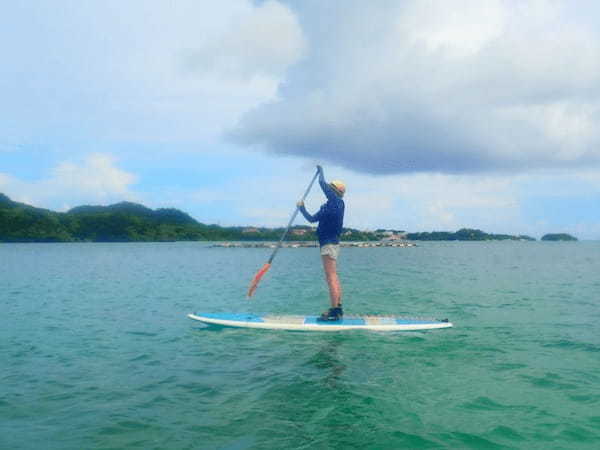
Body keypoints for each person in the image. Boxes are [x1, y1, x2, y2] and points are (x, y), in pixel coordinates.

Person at [297, 166, 346, 321]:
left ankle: (334, 311)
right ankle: (338, 308)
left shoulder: (336, 202)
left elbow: (322, 183)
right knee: (333, 276)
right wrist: (302, 209)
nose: (328, 190)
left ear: (334, 191)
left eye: (331, 189)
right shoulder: (331, 206)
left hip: (329, 244)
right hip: (332, 244)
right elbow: (312, 219)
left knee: (330, 276)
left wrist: (321, 170)